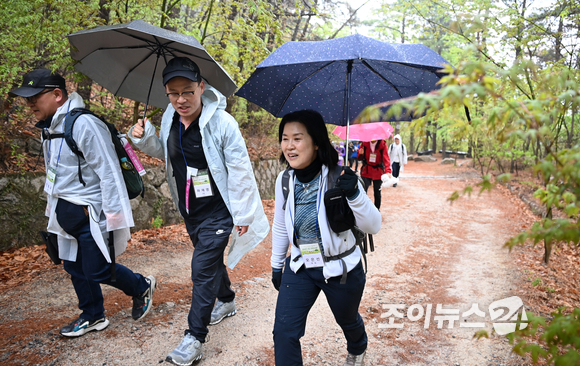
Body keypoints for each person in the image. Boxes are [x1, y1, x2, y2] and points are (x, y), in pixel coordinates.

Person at [128, 57, 269, 365]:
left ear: (202, 87)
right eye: (173, 92)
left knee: (201, 268)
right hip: (191, 208)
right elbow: (166, 151)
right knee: (209, 262)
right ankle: (228, 300)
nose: (181, 99)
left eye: (188, 91)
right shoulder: (171, 117)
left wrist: (244, 215)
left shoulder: (222, 123)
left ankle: (194, 338)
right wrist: (143, 137)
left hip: (220, 211)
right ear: (166, 93)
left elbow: (241, 170)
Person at [8, 69, 156, 337]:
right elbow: (56, 174)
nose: (29, 104)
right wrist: (52, 210)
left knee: (98, 268)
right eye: (26, 98)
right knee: (74, 266)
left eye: (34, 97)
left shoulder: (84, 124)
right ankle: (93, 314)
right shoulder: (50, 128)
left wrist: (114, 217)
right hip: (66, 214)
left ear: (57, 95)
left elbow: (109, 172)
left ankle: (141, 286)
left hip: (90, 212)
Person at [271, 110, 381, 366]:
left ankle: (357, 346)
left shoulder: (339, 178)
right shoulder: (285, 179)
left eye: (297, 138)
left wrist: (354, 193)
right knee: (284, 333)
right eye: (285, 138)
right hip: (300, 266)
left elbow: (373, 225)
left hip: (340, 268)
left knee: (347, 319)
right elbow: (280, 224)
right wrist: (277, 264)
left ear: (316, 142)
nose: (289, 146)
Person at [357, 139, 391, 210]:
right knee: (363, 191)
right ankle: (363, 209)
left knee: (377, 192)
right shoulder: (365, 143)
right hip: (366, 171)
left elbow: (386, 159)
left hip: (378, 171)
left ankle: (376, 210)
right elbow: (359, 158)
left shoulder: (382, 144)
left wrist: (388, 171)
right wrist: (360, 154)